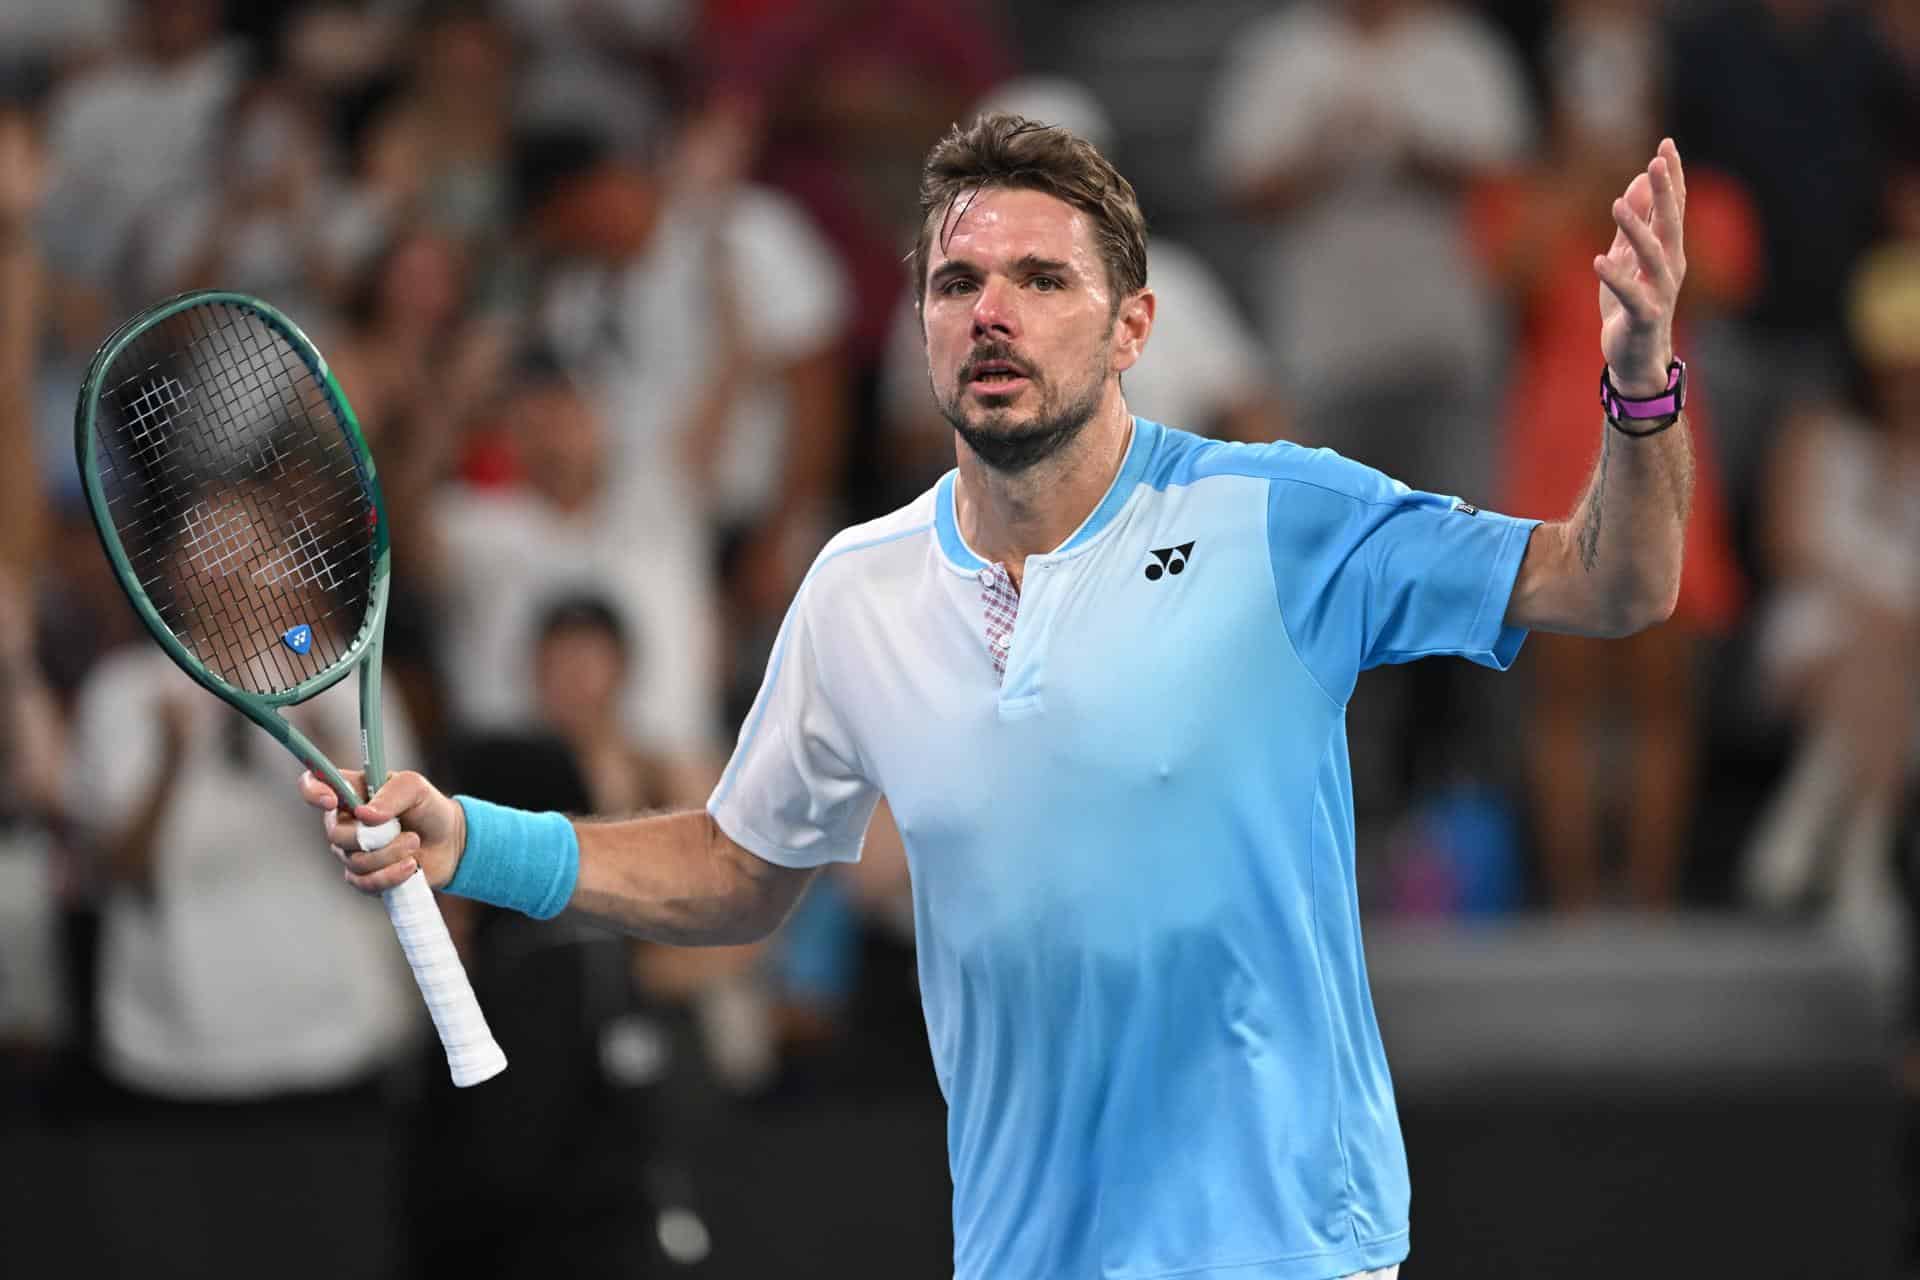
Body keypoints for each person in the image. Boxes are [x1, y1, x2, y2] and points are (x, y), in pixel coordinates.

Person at [302, 115, 1694, 1280]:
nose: (993, 313)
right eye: (958, 283)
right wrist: (474, 839)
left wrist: (1638, 394)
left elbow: (1613, 584)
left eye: (1040, 278)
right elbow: (738, 869)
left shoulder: (1281, 517)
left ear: (1134, 324)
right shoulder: (859, 592)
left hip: (1286, 1250)